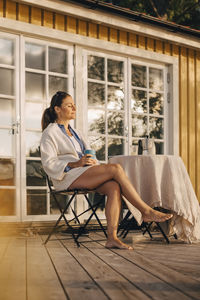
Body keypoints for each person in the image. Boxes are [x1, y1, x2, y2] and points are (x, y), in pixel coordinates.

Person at [40, 91, 173, 250]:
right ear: (57, 109)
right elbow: (48, 163)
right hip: (66, 177)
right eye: (69, 105)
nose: (74, 108)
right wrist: (75, 164)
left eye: (74, 104)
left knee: (114, 187)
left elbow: (89, 155)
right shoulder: (50, 132)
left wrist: (90, 162)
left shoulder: (77, 133)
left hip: (83, 173)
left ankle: (112, 238)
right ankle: (145, 210)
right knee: (115, 168)